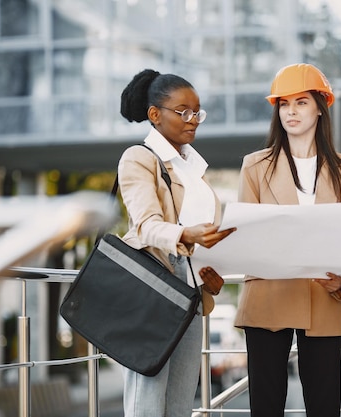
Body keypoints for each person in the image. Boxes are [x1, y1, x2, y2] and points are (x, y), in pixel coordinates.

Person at [233, 63, 341, 417]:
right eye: (284, 104)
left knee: (324, 406)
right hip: (268, 294)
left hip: (323, 295)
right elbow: (245, 232)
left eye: (301, 102)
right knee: (266, 405)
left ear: (320, 107)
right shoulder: (254, 166)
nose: (291, 111)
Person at [118, 69, 235, 417]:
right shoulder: (139, 158)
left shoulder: (193, 170)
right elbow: (146, 226)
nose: (193, 119)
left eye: (198, 111)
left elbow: (203, 240)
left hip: (190, 296)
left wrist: (212, 279)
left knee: (180, 403)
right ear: (155, 114)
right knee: (147, 400)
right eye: (183, 111)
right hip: (154, 289)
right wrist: (186, 235)